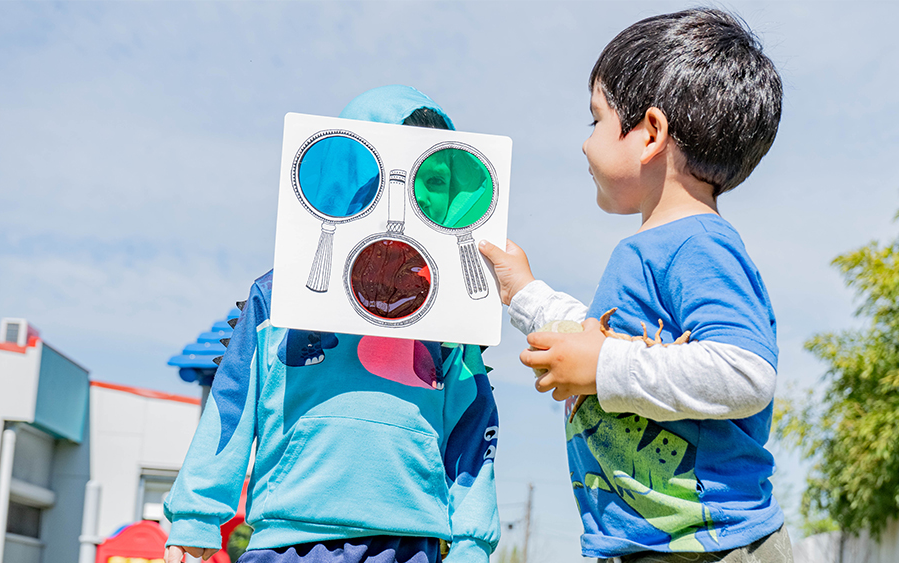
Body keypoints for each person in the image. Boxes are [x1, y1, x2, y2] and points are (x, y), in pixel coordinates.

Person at [479, 9, 791, 563]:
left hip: (718, 549)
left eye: (595, 121)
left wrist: (602, 369)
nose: (584, 145)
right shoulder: (651, 250)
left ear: (650, 133)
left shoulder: (698, 243)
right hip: (654, 547)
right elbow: (600, 338)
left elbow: (747, 370)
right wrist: (522, 291)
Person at [164, 85, 500, 563]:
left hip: (409, 541)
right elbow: (233, 402)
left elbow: (473, 425)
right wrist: (196, 516)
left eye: (436, 174)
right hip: (287, 538)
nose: (416, 188)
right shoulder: (278, 294)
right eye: (395, 165)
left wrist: (471, 541)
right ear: (354, 167)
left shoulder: (451, 314)